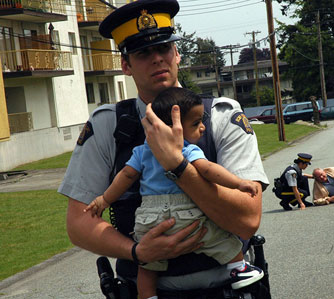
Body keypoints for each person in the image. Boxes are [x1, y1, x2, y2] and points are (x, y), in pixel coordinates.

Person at [58, 0, 269, 296]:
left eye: (164, 48)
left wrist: (178, 167)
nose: (157, 59)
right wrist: (137, 251)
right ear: (126, 66)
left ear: (177, 54)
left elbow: (247, 220)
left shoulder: (221, 115)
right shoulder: (107, 126)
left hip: (225, 288)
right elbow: (79, 223)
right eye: (143, 53)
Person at [84, 87, 263, 298]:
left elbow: (126, 176)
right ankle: (239, 269)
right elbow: (209, 170)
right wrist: (238, 184)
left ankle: (147, 295)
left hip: (150, 217)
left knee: (147, 263)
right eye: (196, 123)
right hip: (186, 213)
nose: (203, 128)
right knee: (222, 239)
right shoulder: (187, 149)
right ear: (173, 127)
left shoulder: (142, 151)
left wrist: (104, 199)